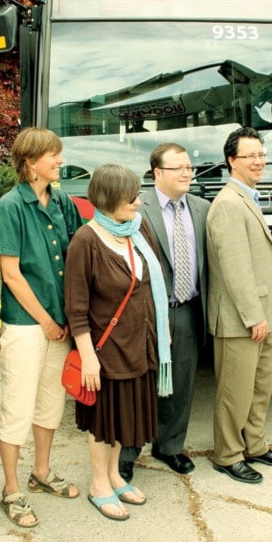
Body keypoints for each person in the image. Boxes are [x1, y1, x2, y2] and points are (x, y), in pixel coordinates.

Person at [64, 164, 171, 521]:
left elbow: (149, 288)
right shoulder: (85, 241)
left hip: (138, 344)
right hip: (104, 351)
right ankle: (98, 484)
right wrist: (88, 356)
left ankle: (113, 476)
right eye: (132, 197)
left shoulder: (135, 233)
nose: (139, 203)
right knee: (103, 421)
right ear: (110, 198)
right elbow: (76, 309)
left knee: (122, 419)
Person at [0, 127, 82, 527]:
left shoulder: (62, 200)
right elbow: (11, 274)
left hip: (59, 325)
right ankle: (11, 489)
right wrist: (45, 320)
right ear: (30, 162)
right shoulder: (9, 207)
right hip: (28, 326)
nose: (60, 161)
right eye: (52, 155)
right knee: (17, 408)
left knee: (50, 405)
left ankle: (41, 472)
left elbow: (78, 253)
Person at [207, 126, 272, 484]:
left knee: (260, 387)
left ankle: (255, 445)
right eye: (250, 156)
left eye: (261, 154)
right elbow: (233, 269)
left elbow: (249, 258)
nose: (259, 161)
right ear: (232, 161)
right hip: (241, 319)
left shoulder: (249, 197)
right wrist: (253, 316)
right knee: (235, 391)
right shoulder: (228, 204)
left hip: (261, 314)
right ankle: (227, 454)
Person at [119, 143, 210, 480]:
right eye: (179, 168)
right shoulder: (136, 209)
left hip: (187, 310)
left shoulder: (202, 208)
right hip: (146, 313)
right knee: (140, 383)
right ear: (157, 173)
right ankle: (127, 452)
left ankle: (169, 446)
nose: (188, 173)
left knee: (181, 383)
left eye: (189, 167)